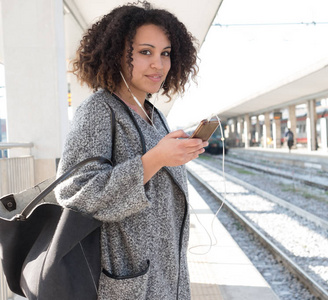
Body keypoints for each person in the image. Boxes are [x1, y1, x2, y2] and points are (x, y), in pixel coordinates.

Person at [55, 2, 206, 299]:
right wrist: (156, 158)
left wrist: (175, 153)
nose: (158, 64)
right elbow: (74, 191)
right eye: (145, 52)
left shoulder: (153, 113)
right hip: (126, 281)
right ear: (114, 54)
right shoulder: (99, 110)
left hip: (165, 275)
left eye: (165, 54)